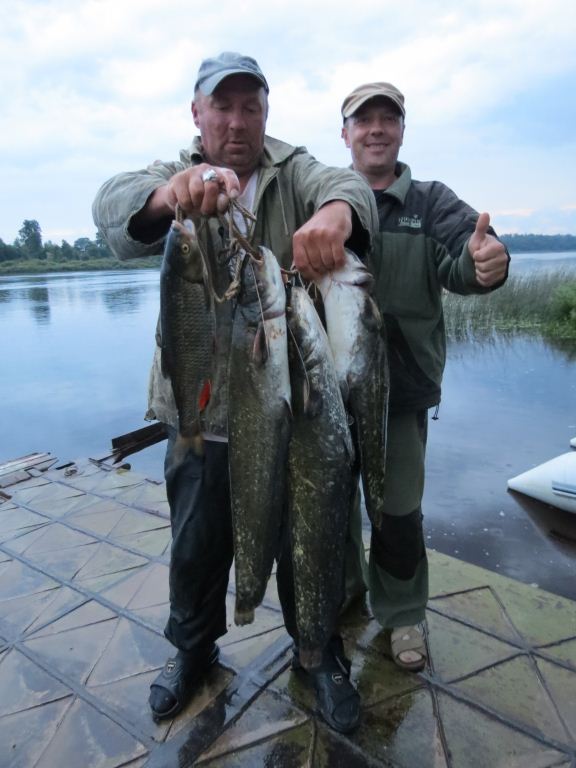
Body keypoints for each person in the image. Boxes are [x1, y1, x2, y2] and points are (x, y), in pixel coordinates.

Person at [92, 52, 378, 733]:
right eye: (222, 106)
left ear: (266, 112)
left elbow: (349, 185)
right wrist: (170, 196)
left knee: (313, 539)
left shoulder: (294, 170)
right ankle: (193, 651)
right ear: (197, 113)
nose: (237, 121)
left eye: (251, 106)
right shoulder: (176, 173)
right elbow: (111, 208)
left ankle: (318, 652)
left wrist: (337, 212)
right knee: (195, 543)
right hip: (201, 410)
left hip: (293, 409)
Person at [339, 82, 510, 670]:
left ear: (402, 131)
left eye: (388, 119)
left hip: (403, 388)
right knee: (329, 503)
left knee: (398, 510)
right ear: (345, 134)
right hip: (329, 391)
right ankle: (342, 597)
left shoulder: (430, 200)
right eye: (364, 120)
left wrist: (489, 263)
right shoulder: (325, 196)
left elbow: (466, 258)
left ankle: (403, 614)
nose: (376, 129)